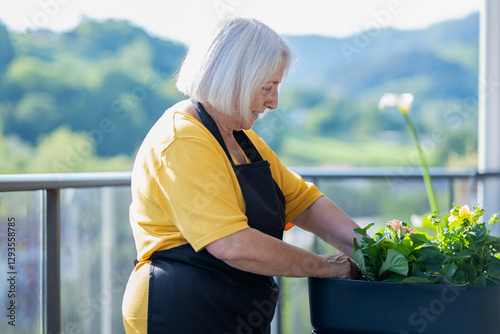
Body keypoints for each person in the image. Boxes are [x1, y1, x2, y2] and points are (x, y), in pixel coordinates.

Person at [122, 16, 361, 334]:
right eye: (267, 87)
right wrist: (323, 266)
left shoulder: (241, 140)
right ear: (234, 79)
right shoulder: (182, 138)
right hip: (179, 311)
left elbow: (303, 203)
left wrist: (372, 249)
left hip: (231, 310)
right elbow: (233, 244)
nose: (274, 102)